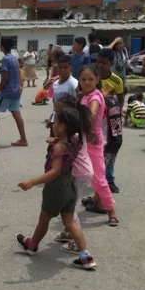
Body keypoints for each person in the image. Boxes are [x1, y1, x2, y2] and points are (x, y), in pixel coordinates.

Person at [15, 106, 96, 270]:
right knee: (70, 222)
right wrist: (56, 141)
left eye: (55, 122)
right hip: (70, 185)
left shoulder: (59, 148)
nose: (53, 124)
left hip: (57, 187)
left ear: (63, 126)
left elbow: (55, 171)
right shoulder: (75, 140)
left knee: (44, 218)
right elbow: (65, 149)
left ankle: (32, 245)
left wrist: (32, 182)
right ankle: (85, 256)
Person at [52, 93, 96, 254]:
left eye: (59, 111)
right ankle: (67, 232)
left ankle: (76, 242)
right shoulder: (77, 129)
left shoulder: (74, 135)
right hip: (83, 172)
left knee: (70, 209)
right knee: (68, 204)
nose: (56, 114)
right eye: (55, 110)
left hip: (78, 174)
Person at [78, 65, 119, 226]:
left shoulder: (94, 97)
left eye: (90, 79)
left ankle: (111, 211)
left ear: (97, 80)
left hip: (93, 142)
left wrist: (87, 127)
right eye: (83, 80)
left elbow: (92, 113)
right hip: (83, 141)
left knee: (99, 179)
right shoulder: (85, 96)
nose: (87, 82)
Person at [0, 37, 28, 147]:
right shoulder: (14, 58)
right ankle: (23, 139)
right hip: (16, 91)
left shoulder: (6, 59)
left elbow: (5, 78)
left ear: (2, 46)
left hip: (8, 92)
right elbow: (12, 77)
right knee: (17, 114)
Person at [96, 49, 125, 194]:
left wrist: (117, 113)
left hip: (112, 119)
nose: (100, 66)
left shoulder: (117, 80)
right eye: (98, 62)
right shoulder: (92, 78)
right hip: (96, 121)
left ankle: (110, 179)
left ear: (111, 64)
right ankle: (96, 178)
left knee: (112, 149)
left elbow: (120, 98)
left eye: (104, 63)